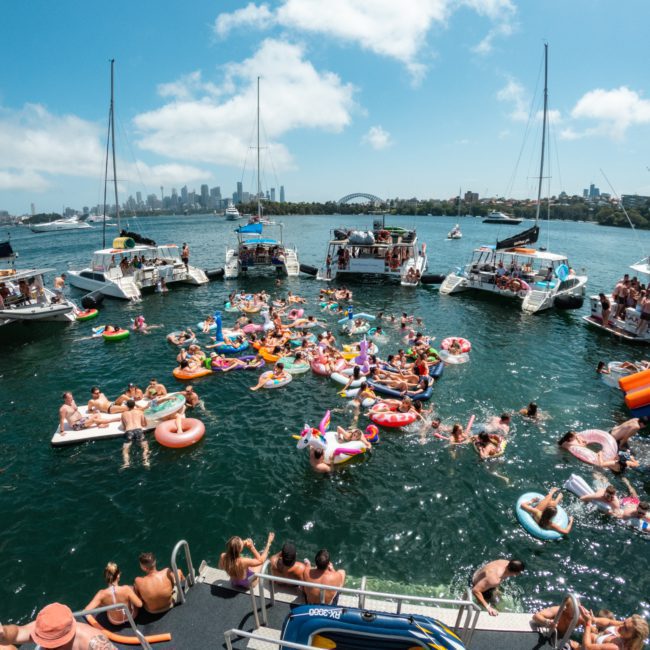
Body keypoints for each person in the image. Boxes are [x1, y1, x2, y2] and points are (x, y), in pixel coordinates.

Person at [0, 602, 117, 649]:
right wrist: (3, 633)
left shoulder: (93, 643)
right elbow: (17, 633)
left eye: (49, 643)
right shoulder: (44, 627)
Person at [580, 609, 648, 650]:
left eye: (626, 629)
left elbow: (587, 647)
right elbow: (609, 622)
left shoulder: (615, 648)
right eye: (624, 622)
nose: (621, 626)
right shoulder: (626, 626)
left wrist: (588, 623)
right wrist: (594, 619)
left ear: (633, 638)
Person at [121, 400, 150, 469]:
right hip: (138, 430)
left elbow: (124, 427)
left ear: (127, 406)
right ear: (134, 405)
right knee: (145, 447)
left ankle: (126, 463)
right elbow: (144, 424)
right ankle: (145, 461)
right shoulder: (140, 412)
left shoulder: (123, 414)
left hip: (129, 431)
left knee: (126, 449)